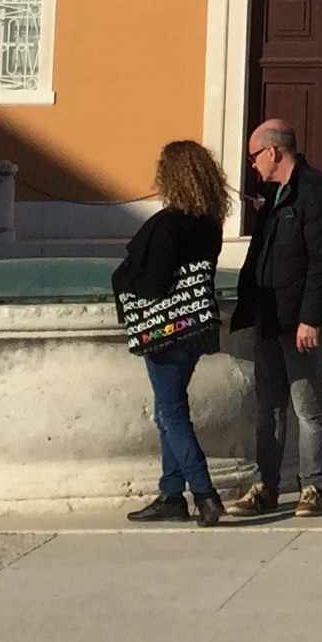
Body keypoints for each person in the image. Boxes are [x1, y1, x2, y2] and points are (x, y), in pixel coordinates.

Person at [228, 117, 322, 518]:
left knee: (307, 406)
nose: (252, 164)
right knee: (268, 406)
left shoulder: (315, 192)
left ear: (272, 151)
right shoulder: (274, 197)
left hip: (298, 321)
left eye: (254, 156)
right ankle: (264, 487)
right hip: (268, 317)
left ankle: (312, 486)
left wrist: (311, 318)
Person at [115, 140, 230, 525]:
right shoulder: (210, 224)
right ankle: (171, 494)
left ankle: (204, 492)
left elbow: (153, 283)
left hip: (165, 330)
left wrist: (124, 278)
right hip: (195, 327)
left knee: (171, 412)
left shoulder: (168, 225)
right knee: (170, 410)